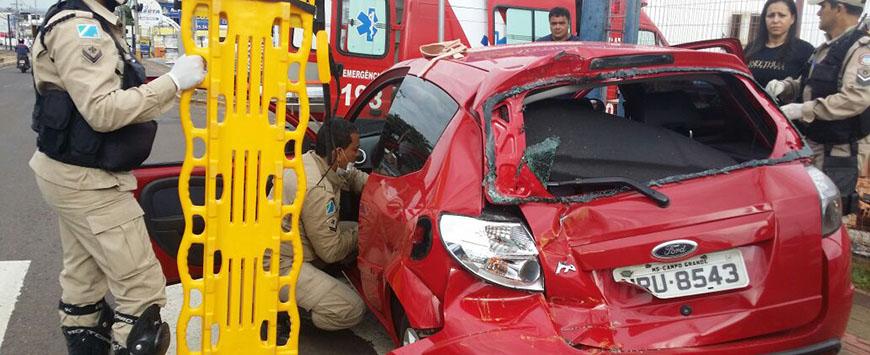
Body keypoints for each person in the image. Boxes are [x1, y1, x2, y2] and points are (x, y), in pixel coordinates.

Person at [28, 0, 206, 353]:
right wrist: (172, 82)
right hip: (88, 182)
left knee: (85, 283)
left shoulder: (89, 21)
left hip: (71, 173)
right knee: (142, 297)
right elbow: (103, 111)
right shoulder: (82, 28)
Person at [766, 0, 870, 213]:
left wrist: (802, 110)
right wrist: (786, 87)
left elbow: (856, 98)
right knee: (808, 208)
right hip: (815, 143)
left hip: (840, 151)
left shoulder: (860, 50)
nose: (819, 13)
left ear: (839, 8)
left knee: (828, 213)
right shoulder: (826, 49)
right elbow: (811, 84)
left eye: (823, 7)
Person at [271, 119, 367, 335]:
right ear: (339, 151)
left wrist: (382, 189)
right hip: (281, 264)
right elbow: (330, 251)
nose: (357, 155)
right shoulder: (317, 189)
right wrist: (364, 232)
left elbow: (350, 176)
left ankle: (312, 289)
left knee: (350, 229)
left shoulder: (314, 160)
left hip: (290, 245)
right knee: (352, 309)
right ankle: (288, 311)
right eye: (355, 150)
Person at [744, 0, 815, 87]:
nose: (775, 20)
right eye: (770, 15)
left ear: (792, 19)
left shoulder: (805, 51)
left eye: (782, 15)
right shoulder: (751, 48)